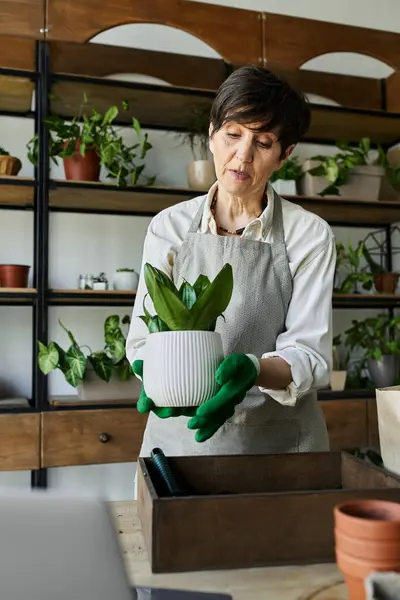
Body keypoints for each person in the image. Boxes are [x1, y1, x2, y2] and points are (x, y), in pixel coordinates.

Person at [126, 65, 336, 462]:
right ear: (211, 135)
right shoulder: (168, 227)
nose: (242, 156)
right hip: (179, 443)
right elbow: (141, 337)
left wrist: (252, 370)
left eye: (264, 142)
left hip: (278, 447)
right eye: (233, 135)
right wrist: (157, 374)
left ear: (284, 155)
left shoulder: (309, 235)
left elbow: (311, 356)